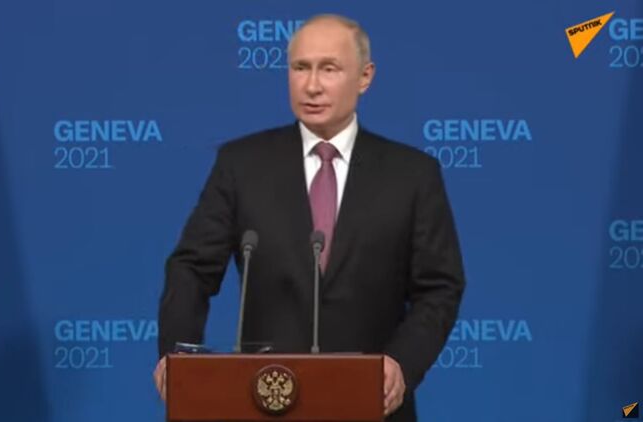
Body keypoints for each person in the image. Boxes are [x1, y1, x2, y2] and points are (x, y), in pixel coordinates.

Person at [154, 14, 465, 421]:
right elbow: (192, 268)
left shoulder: (412, 175)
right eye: (301, 68)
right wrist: (177, 355)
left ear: (365, 77)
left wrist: (401, 364)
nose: (312, 85)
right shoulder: (241, 165)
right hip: (263, 401)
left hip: (370, 403)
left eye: (329, 69)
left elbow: (439, 286)